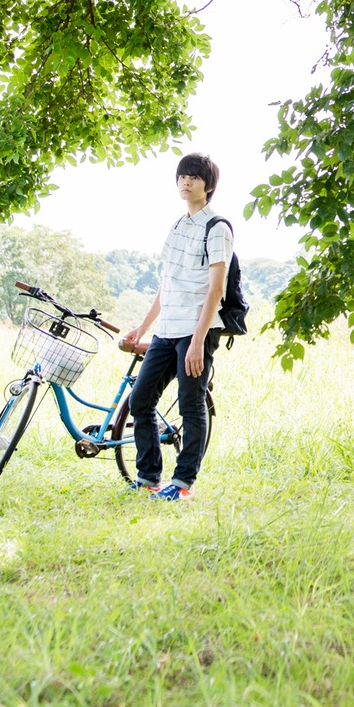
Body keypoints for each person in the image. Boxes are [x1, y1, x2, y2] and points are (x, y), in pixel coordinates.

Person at [119, 153, 232, 501]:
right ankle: (148, 477)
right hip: (166, 329)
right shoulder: (178, 226)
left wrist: (198, 341)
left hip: (196, 329)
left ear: (208, 186)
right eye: (182, 176)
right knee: (140, 400)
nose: (186, 182)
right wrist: (142, 328)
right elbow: (167, 284)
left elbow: (216, 289)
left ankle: (183, 484)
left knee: (190, 403)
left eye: (194, 177)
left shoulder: (218, 227)